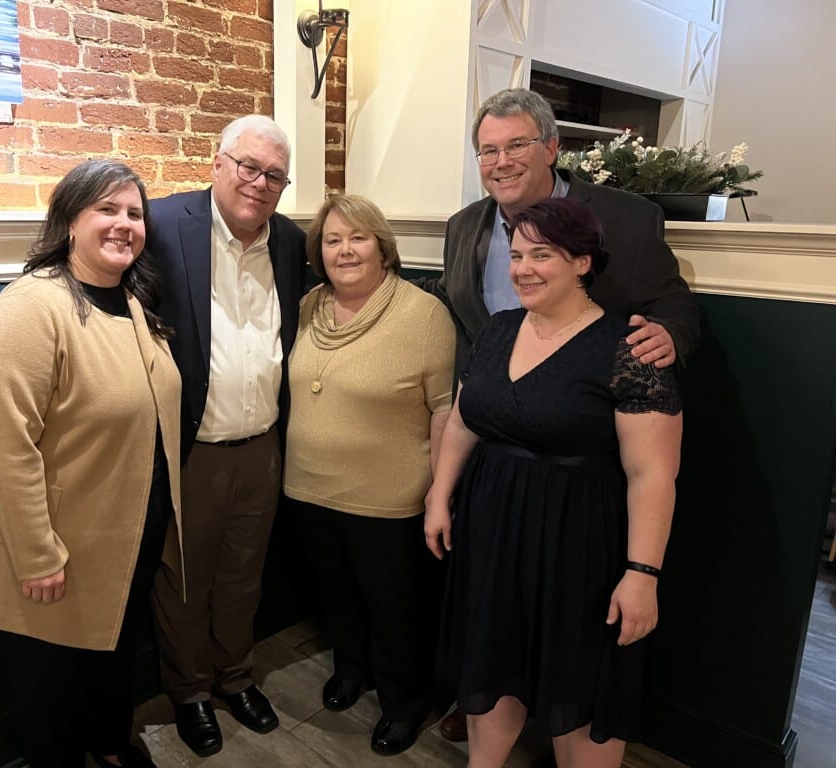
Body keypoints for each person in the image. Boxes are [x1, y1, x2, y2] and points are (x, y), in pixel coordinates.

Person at [431, 86, 699, 742]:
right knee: (493, 627)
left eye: (516, 144)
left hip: (581, 477)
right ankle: (487, 707)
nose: (501, 161)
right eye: (487, 150)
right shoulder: (465, 226)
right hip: (496, 458)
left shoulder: (626, 219)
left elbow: (674, 303)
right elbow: (468, 348)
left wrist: (669, 335)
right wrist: (443, 488)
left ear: (552, 147)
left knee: (575, 652)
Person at [0, 160, 182, 768]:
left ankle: (109, 746)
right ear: (68, 222)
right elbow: (9, 446)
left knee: (112, 657)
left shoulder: (134, 301)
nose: (124, 225)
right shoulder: (32, 307)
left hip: (124, 533)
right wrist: (37, 554)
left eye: (134, 213)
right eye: (106, 210)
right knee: (49, 685)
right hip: (56, 546)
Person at [147, 114, 305, 757]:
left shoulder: (293, 242)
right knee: (182, 579)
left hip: (264, 445)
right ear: (217, 163)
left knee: (244, 573)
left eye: (275, 175)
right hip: (191, 448)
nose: (260, 183)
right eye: (249, 166)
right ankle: (190, 692)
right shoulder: (161, 225)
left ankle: (234, 677)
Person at [284, 195, 456, 756]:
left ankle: (406, 701)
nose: (345, 250)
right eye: (332, 240)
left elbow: (443, 412)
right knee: (336, 591)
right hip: (308, 486)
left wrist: (439, 493)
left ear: (383, 246)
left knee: (394, 605)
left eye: (357, 238)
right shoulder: (310, 306)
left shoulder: (423, 314)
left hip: (389, 497)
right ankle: (351, 669)